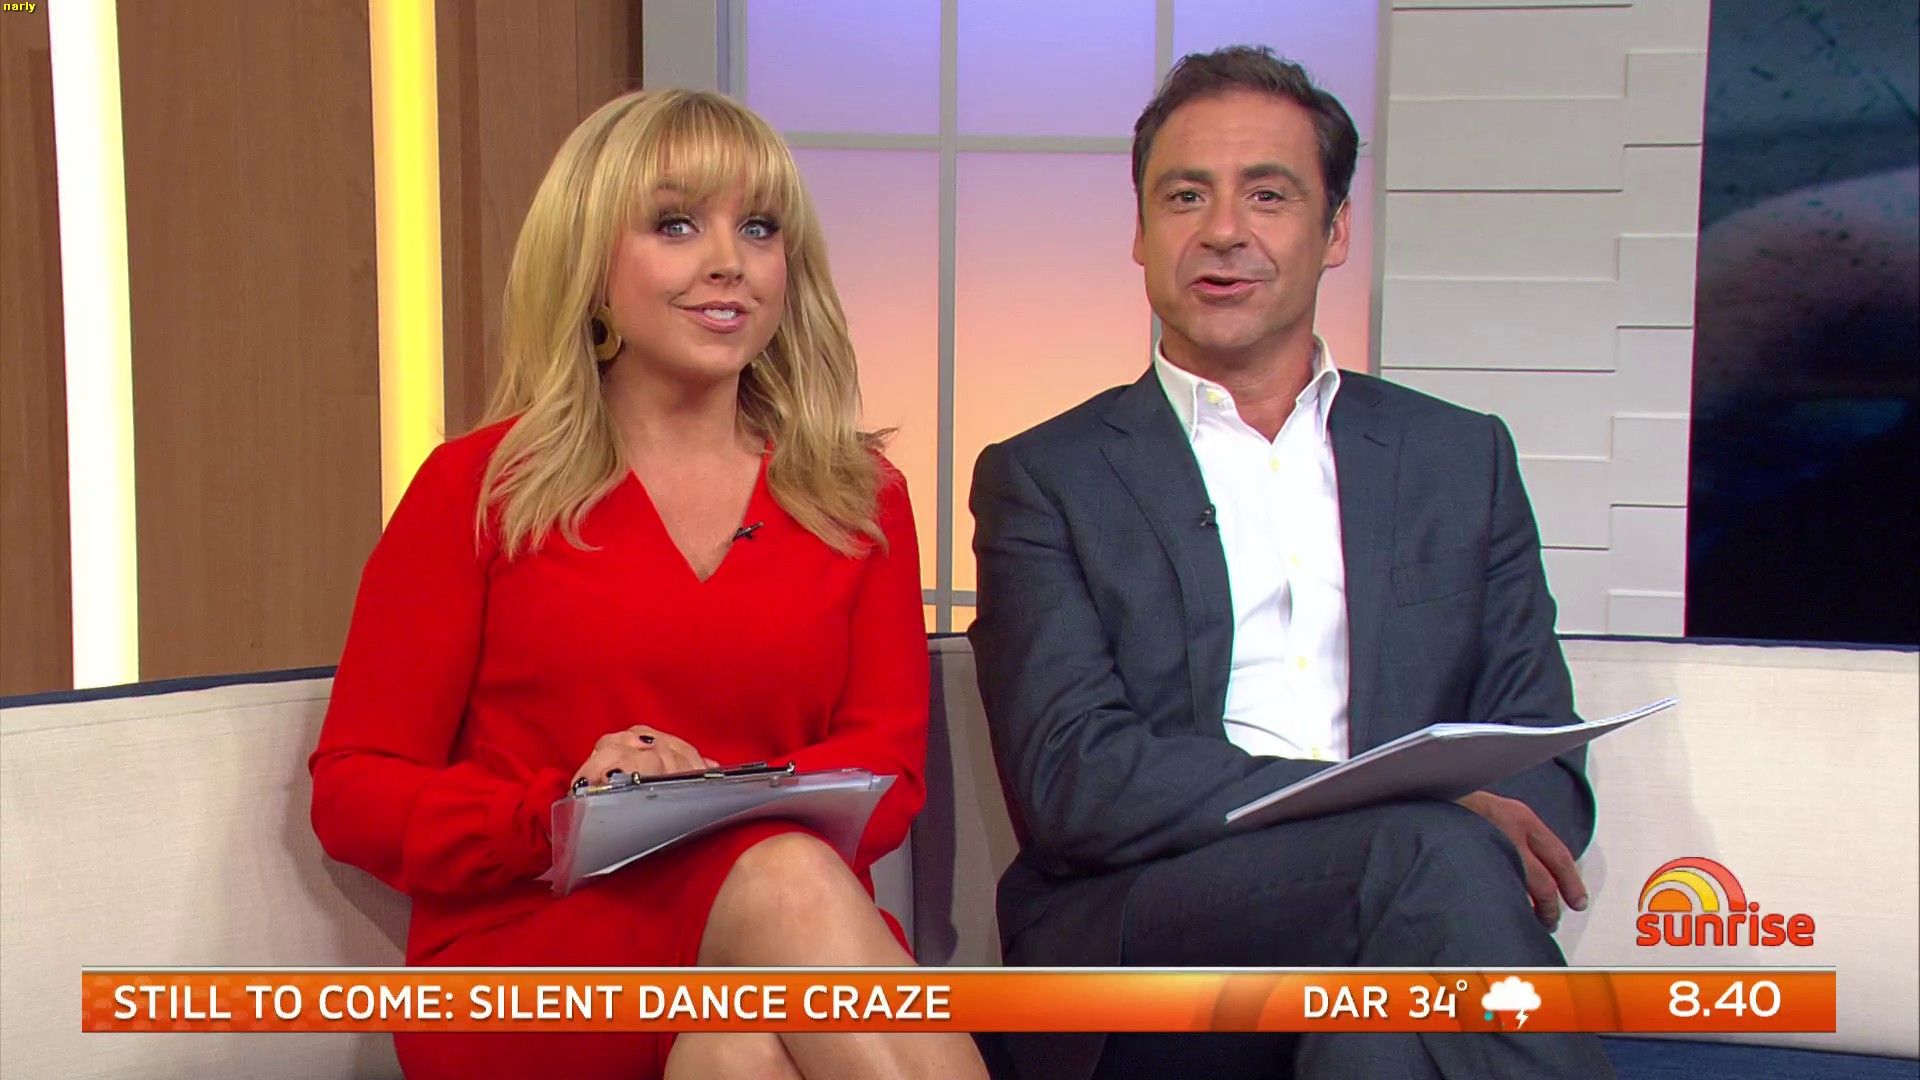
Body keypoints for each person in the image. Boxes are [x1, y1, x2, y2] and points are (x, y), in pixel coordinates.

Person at [310, 88, 987, 1080]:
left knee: (741, 1045)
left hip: (777, 935)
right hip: (537, 943)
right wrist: (563, 811)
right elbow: (356, 790)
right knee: (787, 885)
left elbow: (887, 772)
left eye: (760, 228)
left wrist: (713, 801)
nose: (730, 261)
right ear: (590, 265)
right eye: (676, 225)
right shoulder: (479, 489)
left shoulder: (858, 495)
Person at [968, 47, 1614, 1080]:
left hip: (1402, 922)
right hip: (1144, 936)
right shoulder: (1047, 477)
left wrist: (1476, 826)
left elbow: (1533, 737)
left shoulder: (1460, 457)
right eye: (1186, 196)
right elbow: (1075, 780)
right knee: (1423, 852)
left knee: (1378, 1040)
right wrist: (1390, 809)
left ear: (1336, 229)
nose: (1223, 230)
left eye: (1268, 195)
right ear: (1140, 232)